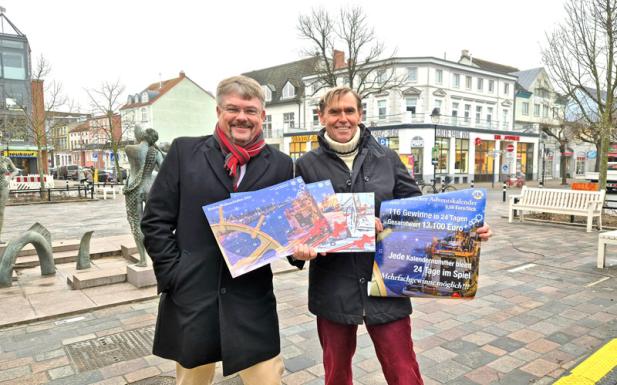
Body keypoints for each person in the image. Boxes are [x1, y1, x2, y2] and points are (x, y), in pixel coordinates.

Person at [292, 86, 492, 385]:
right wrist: (298, 250)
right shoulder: (306, 165)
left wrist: (464, 229)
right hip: (333, 285)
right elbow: (299, 224)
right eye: (334, 112)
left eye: (349, 111)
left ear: (360, 114)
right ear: (321, 116)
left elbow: (419, 210)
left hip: (387, 281)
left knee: (403, 372)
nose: (342, 118)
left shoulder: (386, 157)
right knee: (336, 374)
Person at [141, 75, 293, 385]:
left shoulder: (281, 164)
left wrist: (301, 251)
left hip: (252, 299)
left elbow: (291, 227)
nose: (241, 117)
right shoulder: (185, 153)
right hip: (194, 295)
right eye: (232, 108)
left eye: (250, 111)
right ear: (219, 111)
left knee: (268, 379)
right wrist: (174, 274)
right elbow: (155, 220)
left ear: (262, 116)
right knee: (192, 381)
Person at [124, 126, 165, 267]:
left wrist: (142, 140)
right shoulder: (155, 152)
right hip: (150, 188)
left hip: (134, 189)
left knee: (136, 223)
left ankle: (142, 259)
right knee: (154, 224)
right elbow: (164, 170)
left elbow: (139, 151)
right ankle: (158, 258)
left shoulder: (131, 149)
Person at [0, 156, 18, 244]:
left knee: (1, 212)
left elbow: (16, 170)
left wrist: (9, 178)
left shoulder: (6, 159)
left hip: (3, 186)